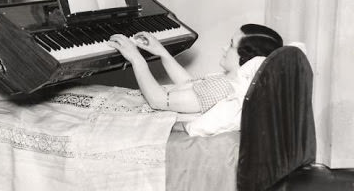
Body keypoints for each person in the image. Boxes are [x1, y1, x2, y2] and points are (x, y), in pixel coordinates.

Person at [107, 24, 283, 135]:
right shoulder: (230, 82)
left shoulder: (225, 88)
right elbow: (189, 86)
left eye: (230, 45)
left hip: (155, 115)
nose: (224, 48)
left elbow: (158, 100)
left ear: (246, 58)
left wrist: (136, 58)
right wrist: (161, 52)